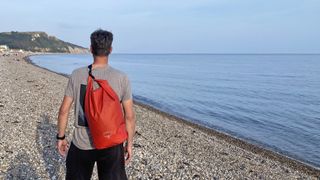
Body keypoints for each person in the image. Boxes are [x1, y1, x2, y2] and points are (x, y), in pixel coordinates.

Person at [56, 29, 136, 180]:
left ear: (91, 49)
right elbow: (129, 116)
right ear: (110, 50)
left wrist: (61, 137)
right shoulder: (121, 78)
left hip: (81, 142)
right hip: (111, 142)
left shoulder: (77, 74)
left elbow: (63, 110)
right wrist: (129, 144)